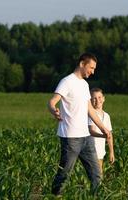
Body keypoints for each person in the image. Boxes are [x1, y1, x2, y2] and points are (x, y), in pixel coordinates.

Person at [48, 52, 111, 196]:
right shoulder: (67, 82)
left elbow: (90, 109)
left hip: (86, 138)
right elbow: (52, 102)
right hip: (71, 138)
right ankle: (55, 196)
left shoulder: (84, 84)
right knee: (64, 173)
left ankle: (96, 197)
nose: (93, 72)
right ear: (82, 64)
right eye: (91, 67)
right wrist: (54, 111)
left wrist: (103, 128)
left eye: (94, 69)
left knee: (96, 174)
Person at [88, 88, 115, 177]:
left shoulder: (106, 116)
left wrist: (111, 152)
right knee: (96, 177)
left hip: (100, 152)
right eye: (94, 98)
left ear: (103, 98)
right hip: (90, 151)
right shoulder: (90, 114)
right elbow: (91, 131)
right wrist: (102, 135)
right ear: (90, 100)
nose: (97, 100)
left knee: (99, 175)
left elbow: (109, 134)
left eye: (99, 97)